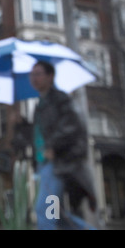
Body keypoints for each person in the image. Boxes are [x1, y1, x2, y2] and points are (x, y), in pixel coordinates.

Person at [29, 60, 97, 230]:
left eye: (38, 73)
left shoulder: (60, 99)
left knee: (45, 211)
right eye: (32, 74)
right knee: (56, 216)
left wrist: (52, 147)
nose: (33, 78)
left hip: (57, 164)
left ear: (50, 76)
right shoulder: (40, 105)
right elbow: (38, 136)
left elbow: (72, 126)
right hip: (43, 165)